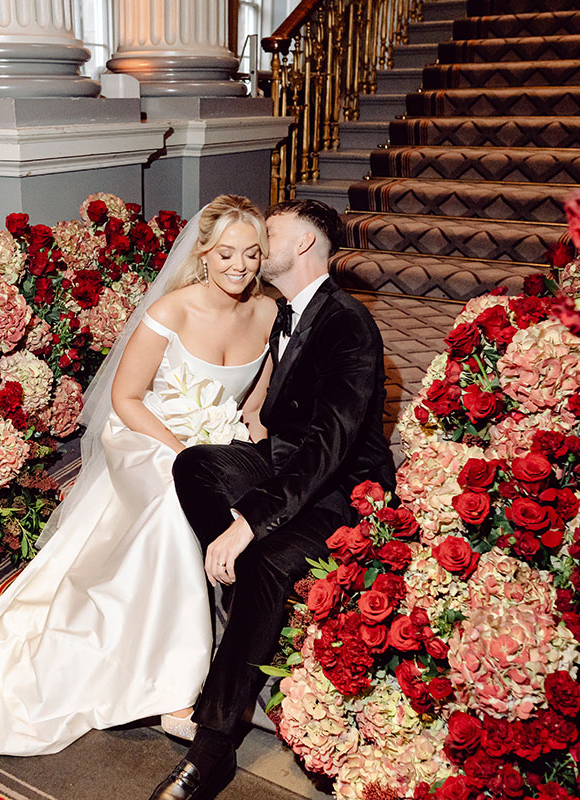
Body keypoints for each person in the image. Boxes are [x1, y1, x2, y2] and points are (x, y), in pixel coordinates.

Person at [0, 195, 278, 786]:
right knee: (173, 502)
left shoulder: (270, 314)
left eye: (252, 255)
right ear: (204, 253)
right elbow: (125, 400)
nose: (240, 266)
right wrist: (183, 451)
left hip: (214, 440)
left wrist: (253, 449)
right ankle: (177, 684)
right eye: (227, 253)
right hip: (148, 435)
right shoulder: (171, 311)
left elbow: (251, 403)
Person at [148, 198, 396, 800]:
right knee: (195, 465)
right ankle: (238, 591)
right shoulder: (286, 312)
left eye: (272, 231)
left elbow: (329, 448)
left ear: (306, 245)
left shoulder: (347, 323)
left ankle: (212, 751)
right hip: (286, 467)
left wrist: (250, 522)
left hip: (343, 491)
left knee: (262, 557)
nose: (261, 238)